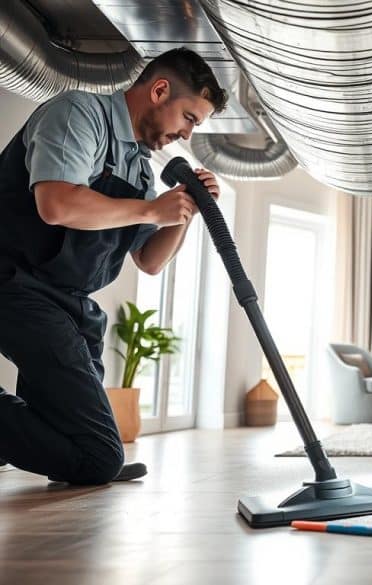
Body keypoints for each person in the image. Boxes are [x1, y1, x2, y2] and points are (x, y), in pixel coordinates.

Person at [0, 48, 228, 484]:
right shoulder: (79, 113)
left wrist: (185, 210)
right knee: (102, 457)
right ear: (159, 90)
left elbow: (150, 261)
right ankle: (89, 460)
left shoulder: (140, 169)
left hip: (72, 305)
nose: (186, 133)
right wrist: (150, 211)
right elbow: (57, 204)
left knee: (75, 440)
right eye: (189, 118)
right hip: (15, 285)